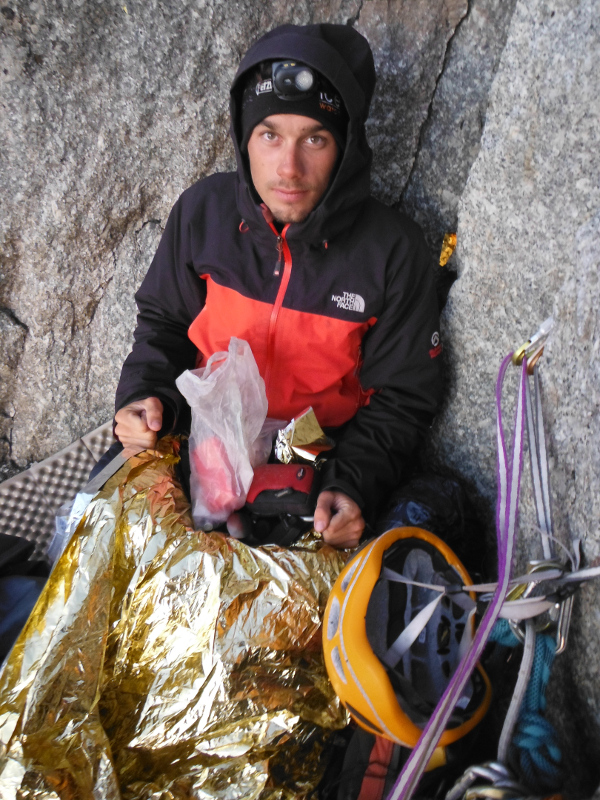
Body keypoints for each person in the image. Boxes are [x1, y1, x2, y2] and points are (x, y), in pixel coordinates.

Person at [112, 23, 443, 549]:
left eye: (315, 138)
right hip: (198, 449)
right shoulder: (205, 214)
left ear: (347, 148)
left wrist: (352, 484)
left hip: (312, 477)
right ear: (245, 139)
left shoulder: (391, 251)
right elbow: (164, 325)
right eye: (270, 135)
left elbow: (403, 400)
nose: (289, 168)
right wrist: (143, 400)